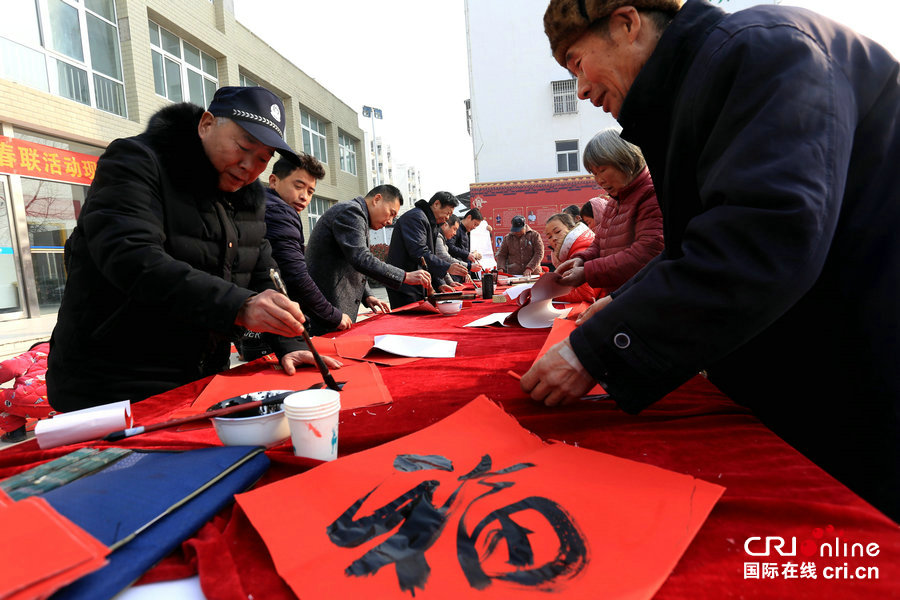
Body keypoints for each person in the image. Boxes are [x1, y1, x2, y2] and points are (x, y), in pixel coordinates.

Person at [526, 0, 900, 521]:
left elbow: (763, 238)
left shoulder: (767, 51)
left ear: (626, 24)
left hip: (860, 369)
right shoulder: (696, 89)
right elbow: (693, 247)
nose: (582, 90)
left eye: (575, 64)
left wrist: (597, 350)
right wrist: (615, 311)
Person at [47, 86, 338, 412]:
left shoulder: (248, 197)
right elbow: (132, 257)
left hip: (197, 379)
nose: (248, 165)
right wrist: (240, 306)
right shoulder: (137, 162)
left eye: (262, 158)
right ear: (207, 124)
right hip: (111, 383)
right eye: (243, 146)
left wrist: (288, 341)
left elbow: (262, 272)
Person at [305, 185, 431, 333]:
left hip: (332, 304)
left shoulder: (360, 217)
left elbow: (351, 261)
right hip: (325, 305)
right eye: (391, 213)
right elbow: (361, 258)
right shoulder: (351, 212)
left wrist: (367, 295)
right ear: (377, 199)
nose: (390, 221)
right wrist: (404, 276)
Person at [556, 129, 663, 297]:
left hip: (644, 298)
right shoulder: (613, 202)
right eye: (594, 173)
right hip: (619, 298)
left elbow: (646, 254)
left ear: (624, 160)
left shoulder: (652, 195)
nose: (599, 180)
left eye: (602, 170)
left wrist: (587, 272)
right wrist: (582, 259)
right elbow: (599, 244)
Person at [264, 155, 353, 334]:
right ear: (273, 181)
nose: (304, 197)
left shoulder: (268, 205)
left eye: (311, 191)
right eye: (298, 187)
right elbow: (296, 275)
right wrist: (332, 315)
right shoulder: (279, 212)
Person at [385, 191, 469, 308]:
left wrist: (439, 283)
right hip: (404, 282)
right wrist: (447, 267)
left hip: (417, 281)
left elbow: (429, 256)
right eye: (448, 213)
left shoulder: (431, 223)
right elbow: (419, 252)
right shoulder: (416, 217)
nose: (447, 218)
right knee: (409, 321)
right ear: (436, 204)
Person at [0, 342, 52, 443]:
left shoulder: (34, 354)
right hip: (64, 403)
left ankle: (15, 431)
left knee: (4, 398)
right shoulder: (66, 353)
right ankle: (58, 425)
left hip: (29, 402)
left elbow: (8, 368)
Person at [544, 213, 599, 303]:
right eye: (549, 236)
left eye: (557, 232)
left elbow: (585, 295)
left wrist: (549, 293)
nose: (553, 238)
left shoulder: (581, 253)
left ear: (571, 229)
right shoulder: (572, 251)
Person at [447, 208, 484, 275]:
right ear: (469, 217)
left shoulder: (467, 232)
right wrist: (467, 254)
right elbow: (449, 246)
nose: (474, 227)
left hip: (462, 269)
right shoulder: (457, 229)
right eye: (475, 224)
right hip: (454, 269)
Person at [436, 215, 468, 289]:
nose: (455, 233)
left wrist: (450, 282)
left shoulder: (443, 239)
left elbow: (445, 265)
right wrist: (467, 266)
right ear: (445, 225)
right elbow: (445, 258)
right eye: (454, 229)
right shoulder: (438, 237)